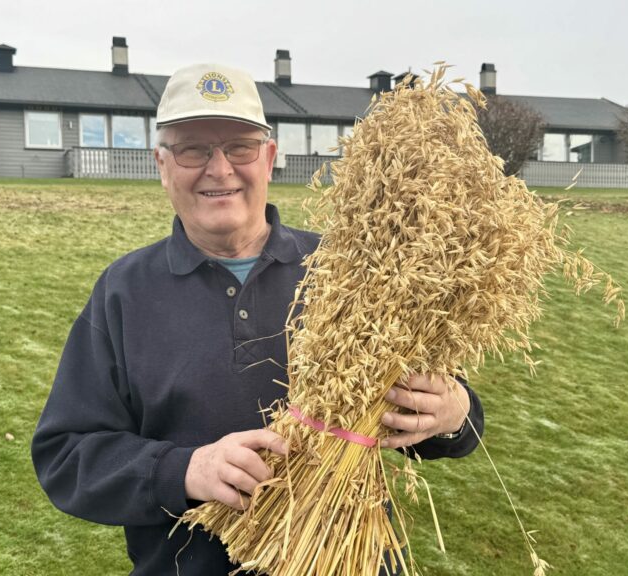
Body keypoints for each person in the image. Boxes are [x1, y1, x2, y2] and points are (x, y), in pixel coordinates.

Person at [32, 62, 485, 576]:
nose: (219, 169)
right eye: (192, 149)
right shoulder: (124, 291)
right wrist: (184, 470)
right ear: (162, 164)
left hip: (350, 561)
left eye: (239, 148)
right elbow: (65, 456)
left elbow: (452, 417)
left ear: (268, 158)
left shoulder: (353, 269)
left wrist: (454, 413)